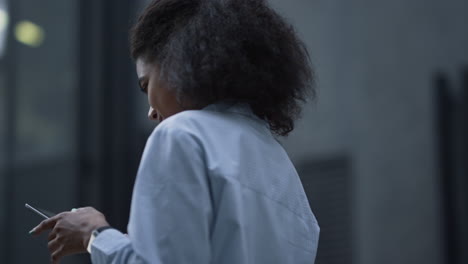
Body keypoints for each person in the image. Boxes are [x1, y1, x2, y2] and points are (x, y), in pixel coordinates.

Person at [30, 0, 320, 263]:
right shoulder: (282, 170)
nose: (151, 111)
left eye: (146, 85)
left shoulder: (182, 135)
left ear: (178, 63)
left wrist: (94, 235)